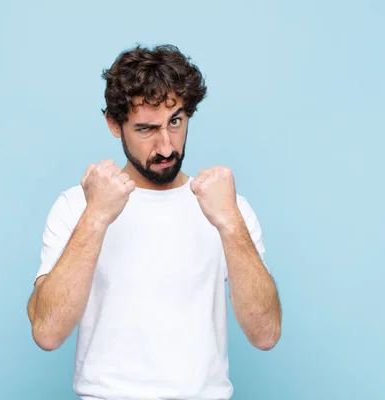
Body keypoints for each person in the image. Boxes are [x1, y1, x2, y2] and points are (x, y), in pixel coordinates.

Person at [27, 44, 282, 400]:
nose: (166, 147)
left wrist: (229, 224)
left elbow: (266, 334)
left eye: (175, 122)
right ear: (115, 125)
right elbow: (47, 333)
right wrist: (97, 217)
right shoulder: (76, 206)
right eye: (147, 129)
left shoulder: (228, 207)